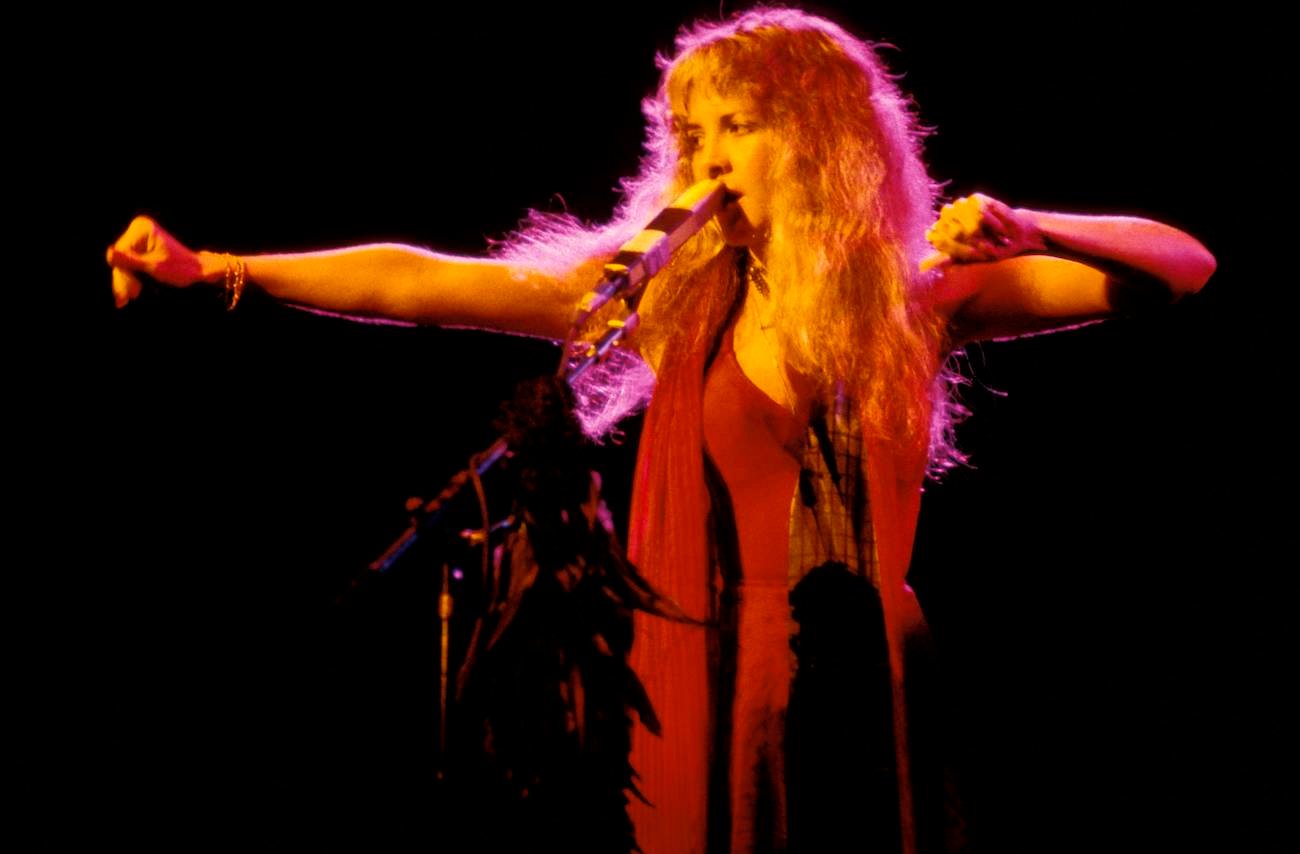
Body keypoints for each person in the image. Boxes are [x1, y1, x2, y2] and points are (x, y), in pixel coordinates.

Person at [105, 7, 1215, 852]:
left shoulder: (915, 295)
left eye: (739, 124)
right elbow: (426, 282)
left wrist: (1034, 226)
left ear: (821, 136)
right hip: (700, 654)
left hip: (859, 669)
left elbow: (1180, 264)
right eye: (695, 132)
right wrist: (224, 271)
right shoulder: (667, 294)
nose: (710, 154)